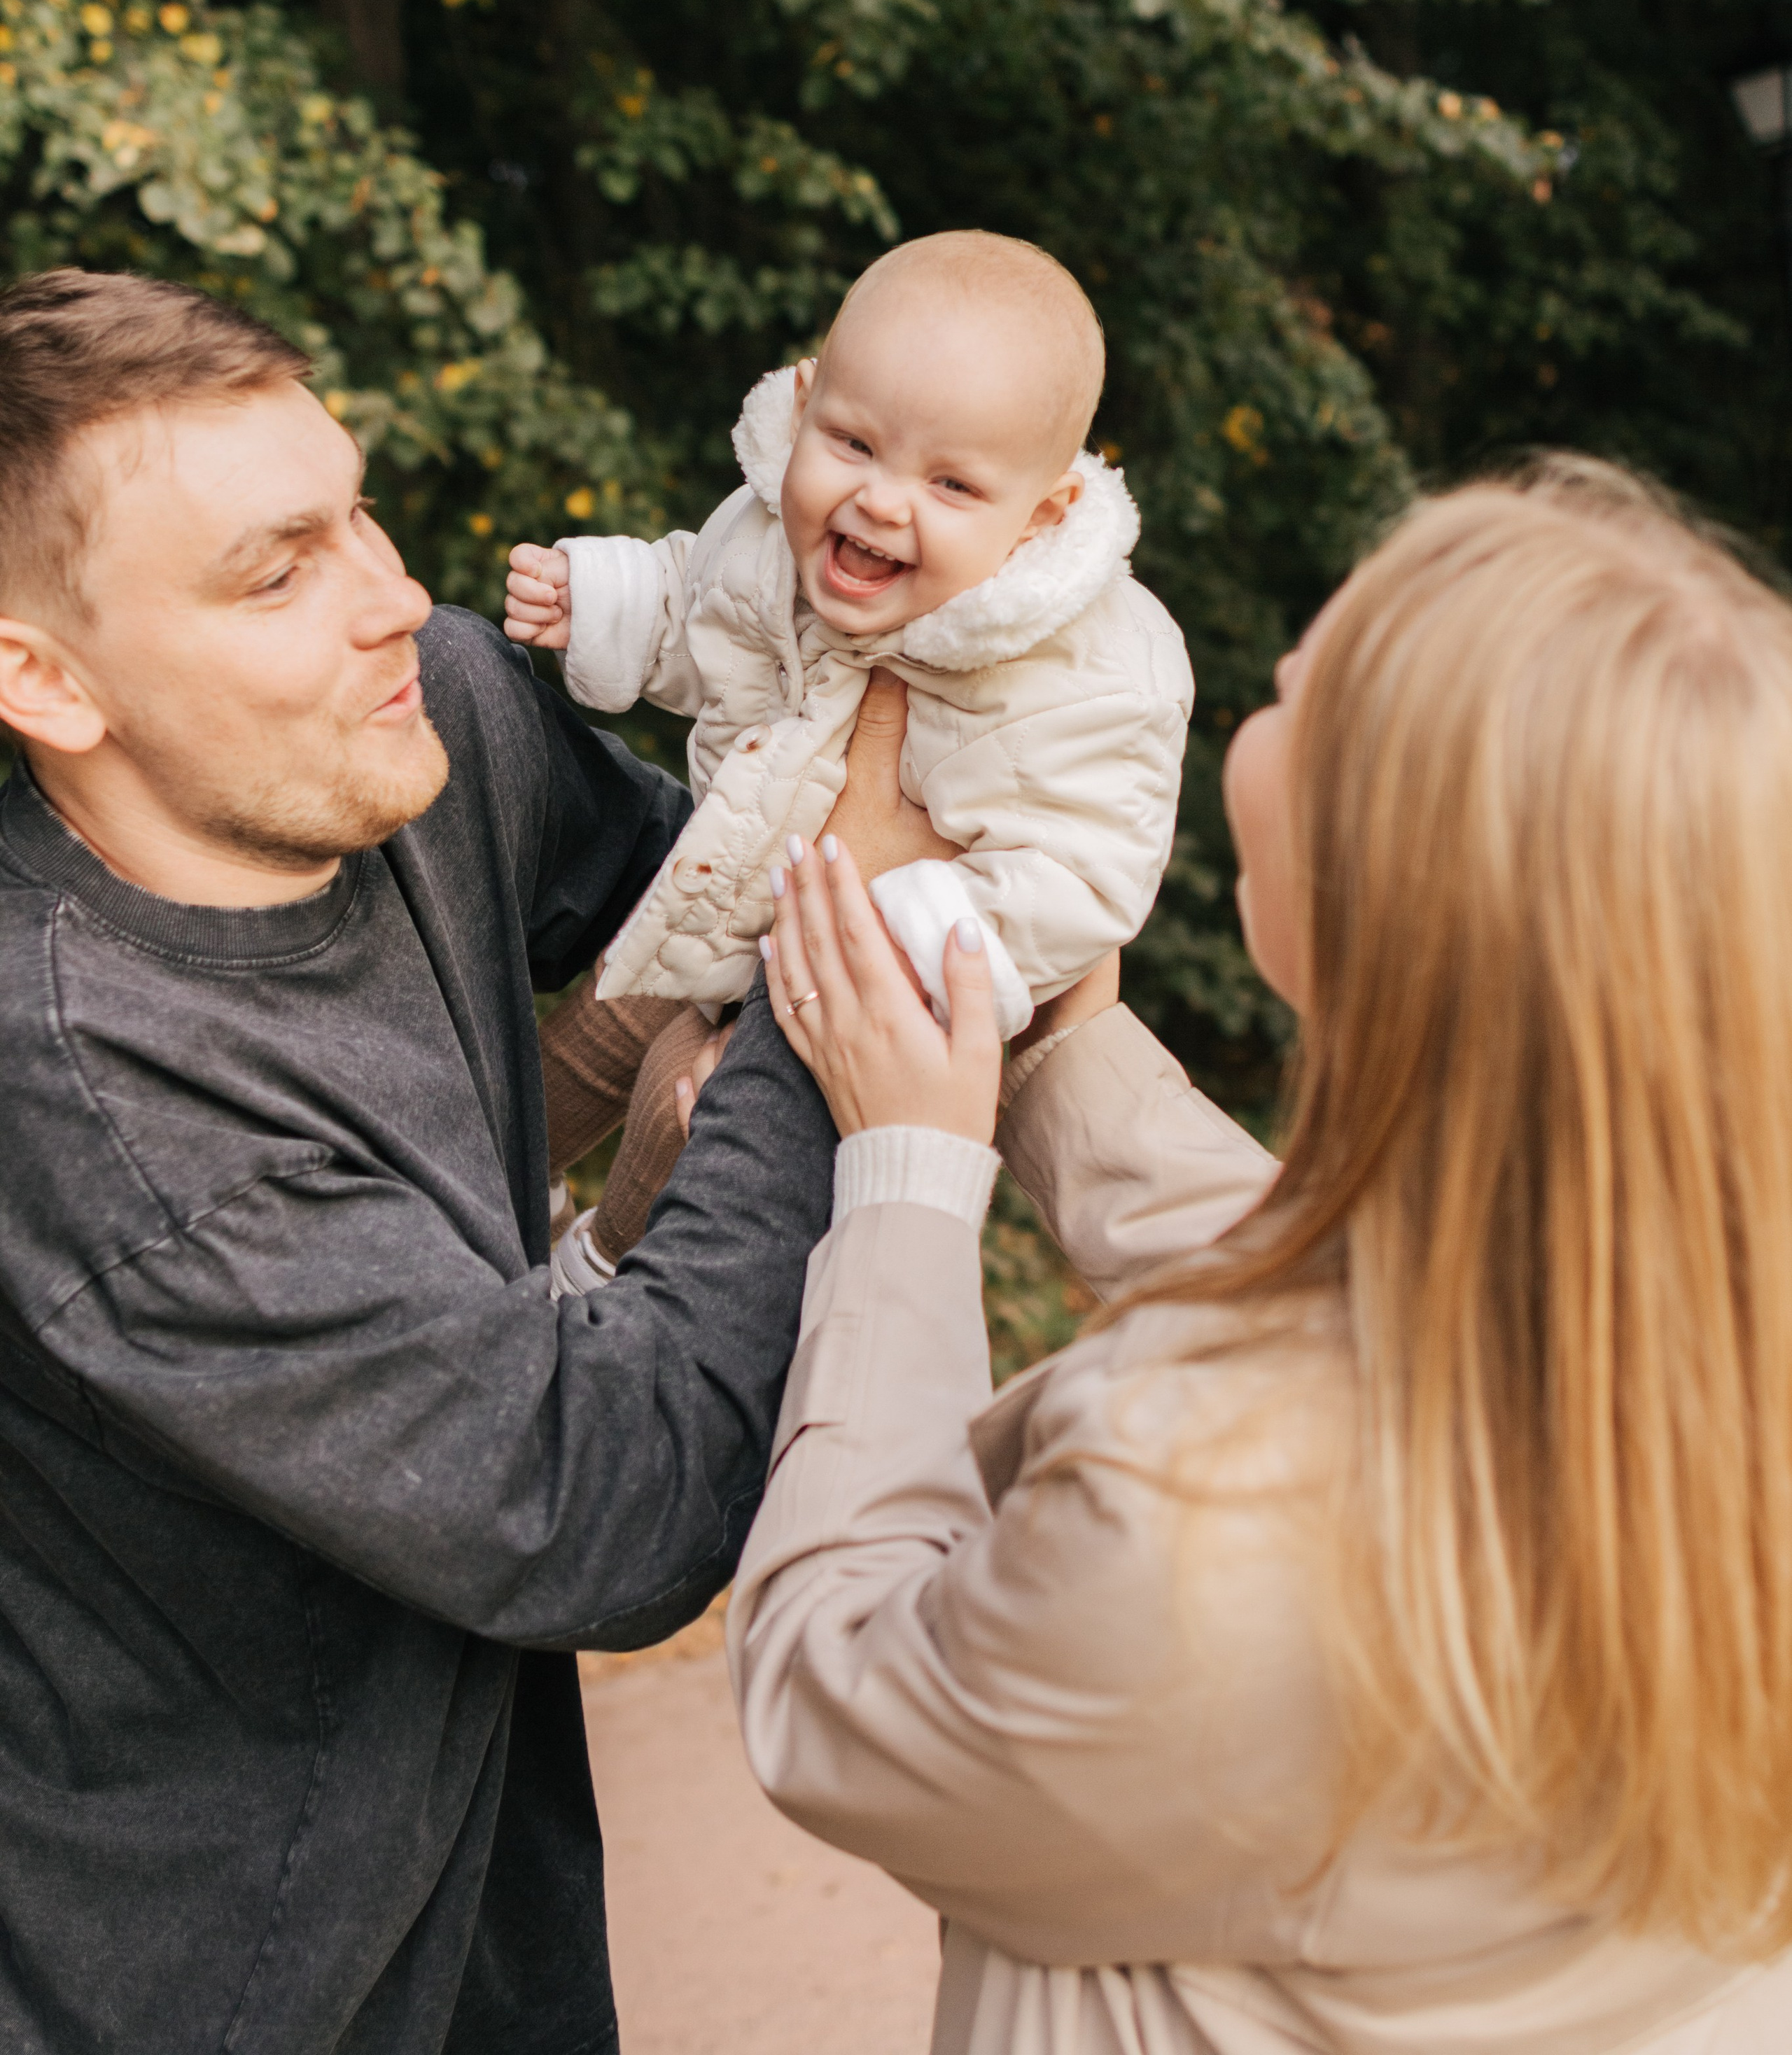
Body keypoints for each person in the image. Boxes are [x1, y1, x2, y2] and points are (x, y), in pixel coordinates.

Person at [729, 457, 1792, 2054]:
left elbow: (837, 1702)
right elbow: (1378, 1305)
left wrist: (904, 1171)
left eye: (1298, 696)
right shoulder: (1694, 1316)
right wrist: (1051, 1045)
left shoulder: (1199, 1521)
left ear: (1395, 901)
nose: (1254, 705)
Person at [0, 267, 939, 2055]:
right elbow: (612, 1497)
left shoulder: (420, 717)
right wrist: (860, 949)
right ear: (42, 680)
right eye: (276, 572)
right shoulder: (98, 1117)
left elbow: (698, 895)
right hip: (209, 1979)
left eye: (356, 511)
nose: (393, 597)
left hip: (497, 1923)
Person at [504, 230, 1194, 1277]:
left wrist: (913, 948)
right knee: (598, 1022)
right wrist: (607, 598)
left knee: (686, 1101)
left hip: (856, 979)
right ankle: (488, 1191)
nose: (881, 498)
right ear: (807, 400)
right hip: (733, 887)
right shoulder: (776, 528)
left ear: (1041, 513)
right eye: (855, 443)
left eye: (953, 486)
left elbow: (1085, 867)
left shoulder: (1087, 665)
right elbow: (707, 604)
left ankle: (598, 1277)